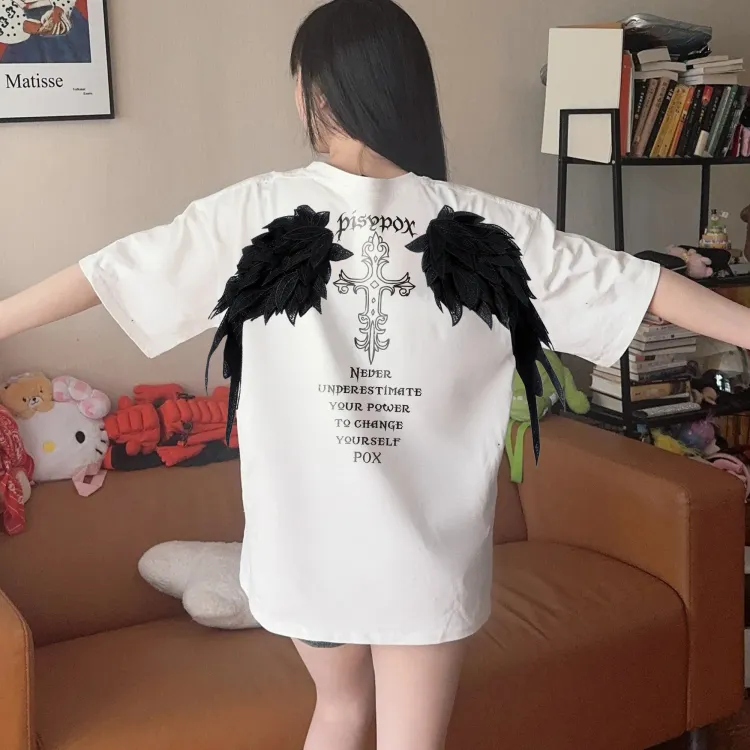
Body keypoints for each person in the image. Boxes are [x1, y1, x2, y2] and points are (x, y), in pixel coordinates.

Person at [2, 1, 750, 748]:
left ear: (310, 92)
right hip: (424, 557)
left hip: (308, 551)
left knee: (338, 711)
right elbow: (640, 285)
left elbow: (109, 273)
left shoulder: (257, 212)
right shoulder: (482, 227)